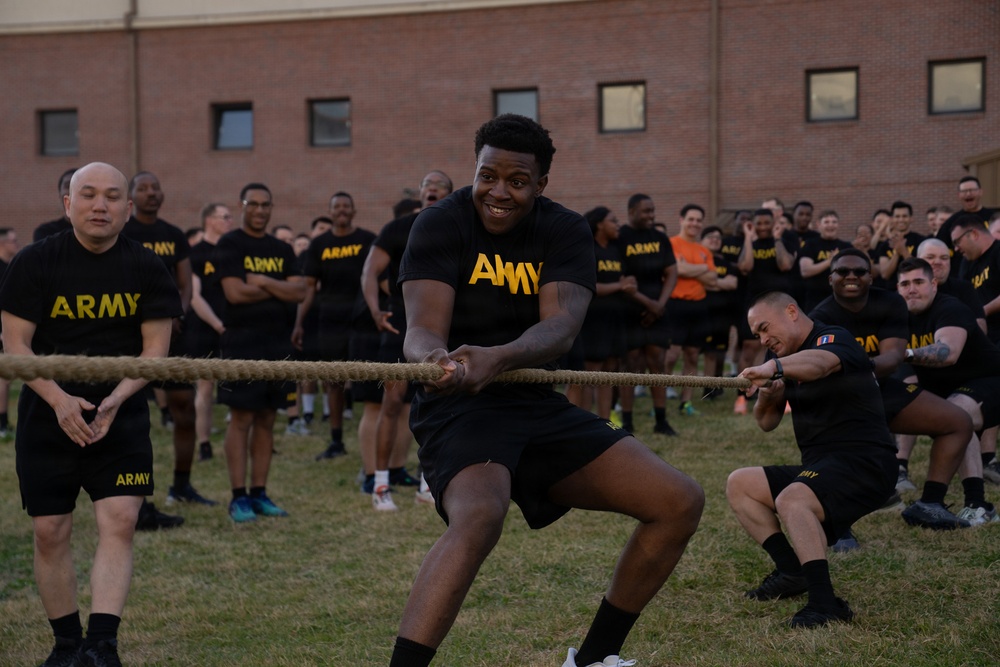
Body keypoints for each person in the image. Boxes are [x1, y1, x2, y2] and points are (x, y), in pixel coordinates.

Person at [390, 114, 704, 667]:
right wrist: (432, 360)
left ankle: (593, 659)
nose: (499, 193)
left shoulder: (563, 229)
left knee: (677, 501)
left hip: (534, 400)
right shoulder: (440, 223)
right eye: (489, 176)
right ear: (475, 170)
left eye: (517, 181)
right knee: (481, 516)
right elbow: (420, 329)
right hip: (461, 408)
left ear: (541, 184)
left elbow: (560, 325)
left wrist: (502, 355)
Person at [0, 162, 181, 666]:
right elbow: (16, 346)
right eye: (88, 195)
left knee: (121, 520)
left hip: (118, 410)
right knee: (50, 529)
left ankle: (102, 645)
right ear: (68, 204)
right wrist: (59, 400)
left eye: (111, 196)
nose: (99, 205)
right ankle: (65, 645)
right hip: (46, 409)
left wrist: (116, 400)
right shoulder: (35, 262)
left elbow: (155, 351)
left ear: (128, 209)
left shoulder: (146, 266)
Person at [728, 291, 897, 628]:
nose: (763, 339)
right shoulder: (783, 358)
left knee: (792, 499)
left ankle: (825, 603)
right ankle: (792, 572)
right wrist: (768, 395)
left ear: (791, 311)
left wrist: (773, 367)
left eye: (764, 328)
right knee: (740, 484)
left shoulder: (833, 337)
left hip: (866, 464)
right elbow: (767, 422)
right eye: (757, 335)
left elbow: (820, 364)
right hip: (821, 468)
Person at [810, 249, 971, 530]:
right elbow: (824, 371)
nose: (851, 277)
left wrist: (850, 363)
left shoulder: (890, 302)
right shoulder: (820, 317)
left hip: (880, 387)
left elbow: (893, 358)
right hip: (838, 397)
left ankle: (930, 504)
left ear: (871, 277)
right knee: (839, 456)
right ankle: (838, 526)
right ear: (830, 278)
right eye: (843, 272)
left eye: (859, 271)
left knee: (958, 421)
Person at [123, 171, 217, 518]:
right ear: (131, 197)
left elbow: (186, 282)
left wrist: (176, 314)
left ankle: (182, 485)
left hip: (173, 337)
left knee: (185, 410)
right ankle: (137, 498)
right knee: (132, 418)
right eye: (143, 188)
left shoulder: (174, 235)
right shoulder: (123, 232)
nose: (151, 193)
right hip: (130, 339)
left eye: (155, 187)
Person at [361, 170, 453, 510]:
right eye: (427, 186)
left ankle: (426, 483)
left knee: (436, 408)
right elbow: (370, 270)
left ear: (450, 194)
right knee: (391, 405)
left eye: (440, 186)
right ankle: (380, 484)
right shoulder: (399, 228)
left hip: (442, 335)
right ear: (420, 193)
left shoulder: (458, 228)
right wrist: (375, 309)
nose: (432, 190)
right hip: (400, 330)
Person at [216, 183, 305, 522]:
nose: (260, 210)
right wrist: (278, 288)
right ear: (242, 206)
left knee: (268, 418)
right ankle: (238, 497)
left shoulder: (282, 248)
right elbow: (235, 293)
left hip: (277, 344)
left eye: (265, 204)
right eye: (253, 204)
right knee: (241, 419)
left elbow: (299, 291)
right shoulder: (230, 244)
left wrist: (263, 281)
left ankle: (260, 493)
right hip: (242, 343)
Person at [897, 258, 999, 525]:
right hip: (955, 392)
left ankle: (936, 502)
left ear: (933, 284)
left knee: (956, 414)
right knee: (951, 416)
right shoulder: (899, 318)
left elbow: (948, 353)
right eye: (905, 284)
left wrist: (903, 353)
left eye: (918, 282)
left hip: (991, 380)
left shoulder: (951, 308)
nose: (911, 289)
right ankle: (977, 506)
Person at [294, 192, 376, 459]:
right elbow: (308, 288)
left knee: (372, 380)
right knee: (334, 381)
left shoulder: (367, 241)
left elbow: (374, 280)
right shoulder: (318, 244)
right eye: (336, 207)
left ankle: (374, 441)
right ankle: (336, 440)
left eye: (346, 207)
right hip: (329, 318)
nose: (341, 211)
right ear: (330, 212)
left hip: (361, 317)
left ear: (353, 211)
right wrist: (298, 322)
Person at [617, 193, 679, 435]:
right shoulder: (620, 237)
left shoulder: (660, 238)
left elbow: (672, 272)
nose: (651, 216)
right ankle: (627, 422)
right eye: (646, 211)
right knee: (631, 365)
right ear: (631, 211)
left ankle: (661, 421)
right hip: (629, 309)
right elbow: (620, 280)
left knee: (657, 363)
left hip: (659, 309)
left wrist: (659, 305)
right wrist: (649, 305)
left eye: (653, 211)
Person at [567, 206, 635, 419]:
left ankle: (603, 422)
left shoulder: (615, 250)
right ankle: (581, 420)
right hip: (592, 321)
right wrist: (619, 285)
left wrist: (625, 285)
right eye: (613, 221)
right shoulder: (588, 249)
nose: (618, 225)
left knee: (608, 373)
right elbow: (589, 285)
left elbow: (624, 281)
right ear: (599, 224)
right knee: (587, 375)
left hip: (614, 319)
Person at [184, 202, 234, 462]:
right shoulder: (195, 254)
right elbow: (194, 297)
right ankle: (204, 443)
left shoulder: (232, 251)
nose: (229, 221)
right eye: (224, 217)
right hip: (204, 327)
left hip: (231, 327)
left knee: (236, 383)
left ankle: (235, 439)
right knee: (205, 386)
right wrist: (217, 324)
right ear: (209, 220)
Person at [664, 204, 717, 416]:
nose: (695, 223)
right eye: (691, 219)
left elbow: (713, 280)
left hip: (698, 306)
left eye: (698, 220)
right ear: (682, 220)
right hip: (676, 305)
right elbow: (678, 269)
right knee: (670, 356)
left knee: (693, 356)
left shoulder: (704, 250)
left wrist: (690, 270)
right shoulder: (671, 244)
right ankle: (663, 396)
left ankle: (686, 401)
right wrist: (701, 269)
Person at [699, 225, 739, 398]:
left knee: (721, 351)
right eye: (710, 237)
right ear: (702, 241)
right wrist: (720, 283)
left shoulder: (725, 264)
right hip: (705, 312)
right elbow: (702, 282)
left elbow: (733, 283)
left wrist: (713, 282)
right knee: (709, 352)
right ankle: (708, 387)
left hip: (724, 313)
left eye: (718, 237)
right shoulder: (699, 262)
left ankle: (718, 384)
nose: (715, 240)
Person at [797, 210, 851, 312]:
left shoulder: (846, 246)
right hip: (816, 301)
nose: (830, 225)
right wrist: (830, 261)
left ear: (838, 225)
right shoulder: (810, 244)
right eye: (826, 222)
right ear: (818, 225)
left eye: (834, 222)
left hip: (841, 301)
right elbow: (805, 271)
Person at [0, 227, 20, 438]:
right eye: (13, 241)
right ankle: (2, 425)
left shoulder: (12, 268)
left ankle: (3, 423)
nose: (17, 244)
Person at [876, 200, 925, 287]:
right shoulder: (884, 245)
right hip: (892, 292)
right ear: (892, 219)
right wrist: (896, 254)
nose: (901, 219)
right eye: (897, 216)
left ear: (911, 218)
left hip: (915, 289)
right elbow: (885, 274)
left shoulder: (921, 241)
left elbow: (922, 270)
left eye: (904, 216)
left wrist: (903, 251)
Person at [33, 168, 77, 242]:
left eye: (76, 186)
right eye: (67, 186)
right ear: (60, 194)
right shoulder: (45, 233)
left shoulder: (99, 230)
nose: (71, 191)